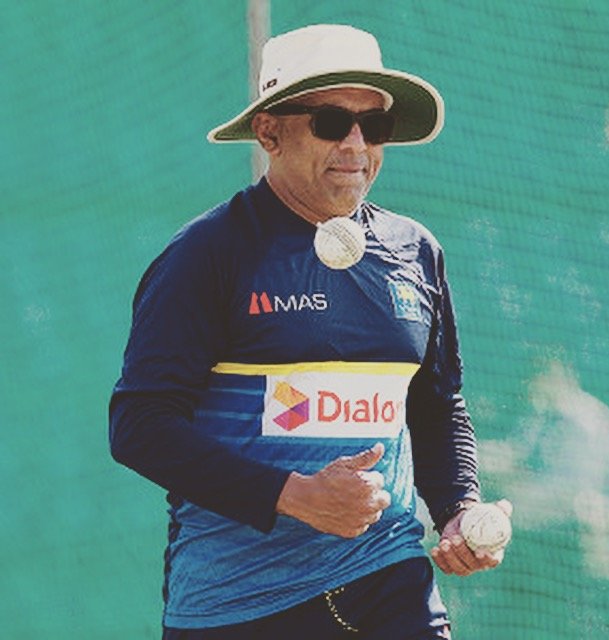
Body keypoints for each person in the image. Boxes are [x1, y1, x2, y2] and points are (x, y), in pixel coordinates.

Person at [109, 24, 512, 639]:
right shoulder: (207, 254)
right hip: (239, 604)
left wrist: (459, 507)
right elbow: (139, 426)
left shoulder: (415, 250)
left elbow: (436, 406)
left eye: (374, 126)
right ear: (269, 132)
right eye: (331, 121)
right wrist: (292, 494)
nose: (356, 145)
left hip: (391, 579)